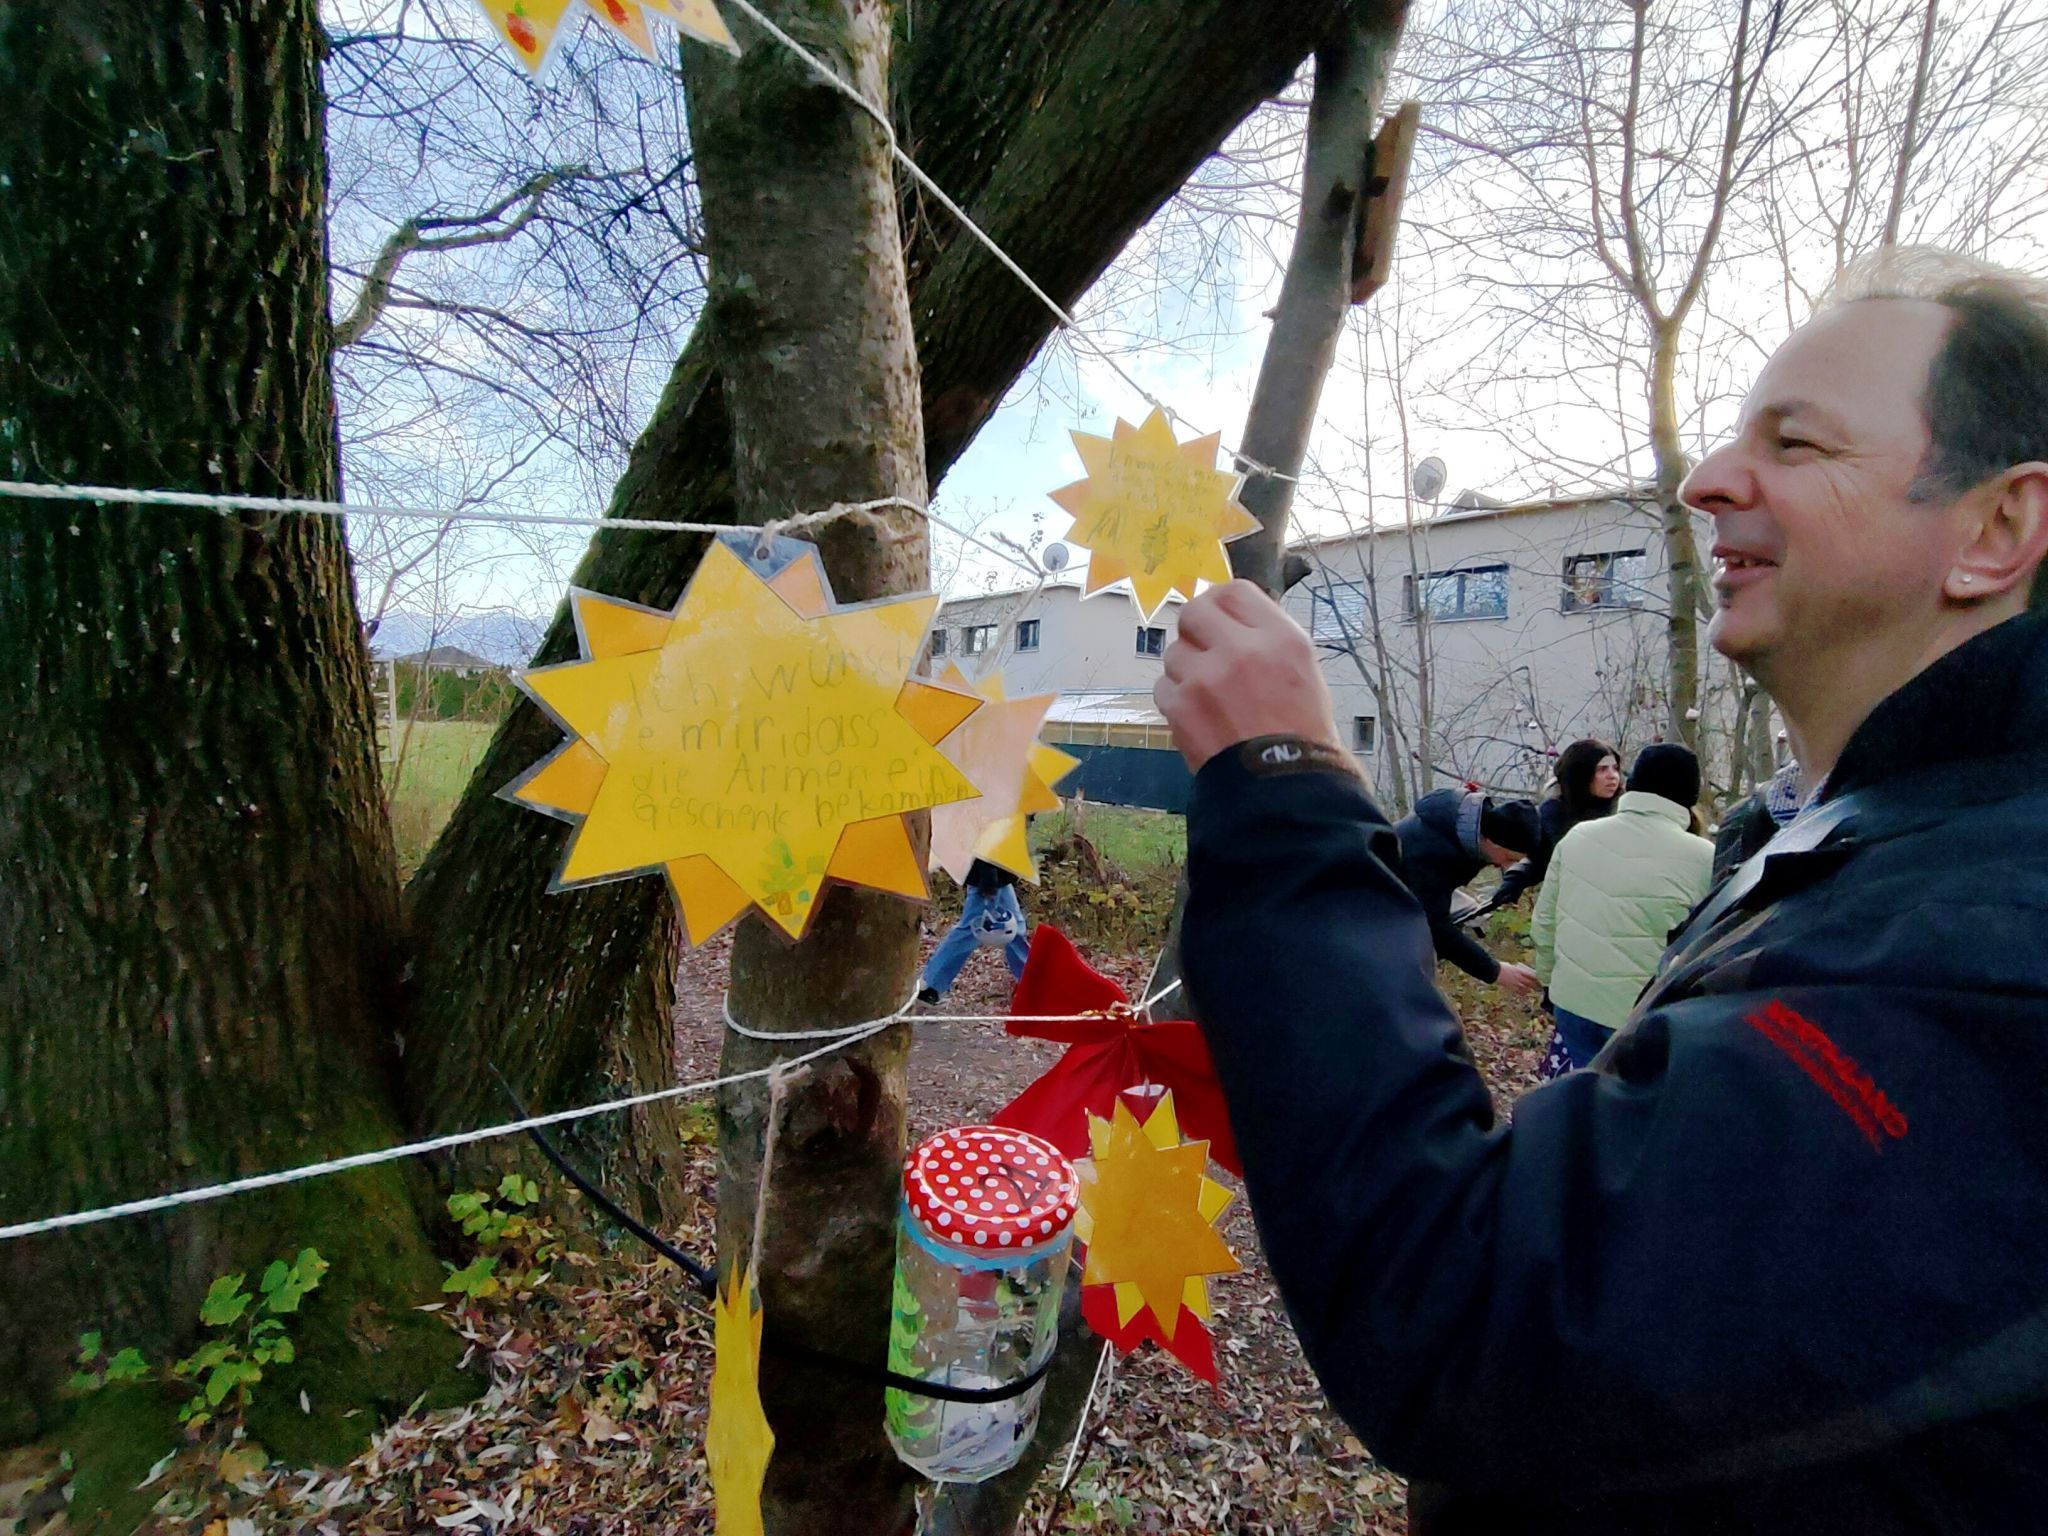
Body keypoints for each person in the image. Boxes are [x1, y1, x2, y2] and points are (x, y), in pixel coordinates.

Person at [1153, 247, 2048, 1531]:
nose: (1704, 479)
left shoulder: (1985, 946)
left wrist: (1286, 786)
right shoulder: (1879, 851)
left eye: (1794, 443)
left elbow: (1468, 1309)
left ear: (1994, 530)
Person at [1531, 743, 1713, 1078]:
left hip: (1574, 1004)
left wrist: (1550, 985)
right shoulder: (1705, 858)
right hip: (1645, 1015)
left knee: (1584, 1094)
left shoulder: (1577, 837)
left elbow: (1544, 923)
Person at [1391, 788, 1544, 999]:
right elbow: (1435, 927)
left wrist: (1516, 881)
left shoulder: (1476, 827)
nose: (1507, 867)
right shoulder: (1432, 853)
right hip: (1367, 904)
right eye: (1509, 859)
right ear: (1492, 842)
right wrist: (1495, 971)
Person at [1492, 737, 1622, 906]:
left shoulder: (1624, 810)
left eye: (1615, 768)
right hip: (1574, 903)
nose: (1612, 776)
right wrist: (1515, 879)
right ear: (1580, 774)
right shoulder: (1554, 813)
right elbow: (1541, 859)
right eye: (1602, 769)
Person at [917, 857, 1030, 1003]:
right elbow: (983, 850)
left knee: (1014, 929)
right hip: (989, 876)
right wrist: (988, 880)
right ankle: (930, 984)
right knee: (970, 931)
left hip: (998, 876)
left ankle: (1031, 981)